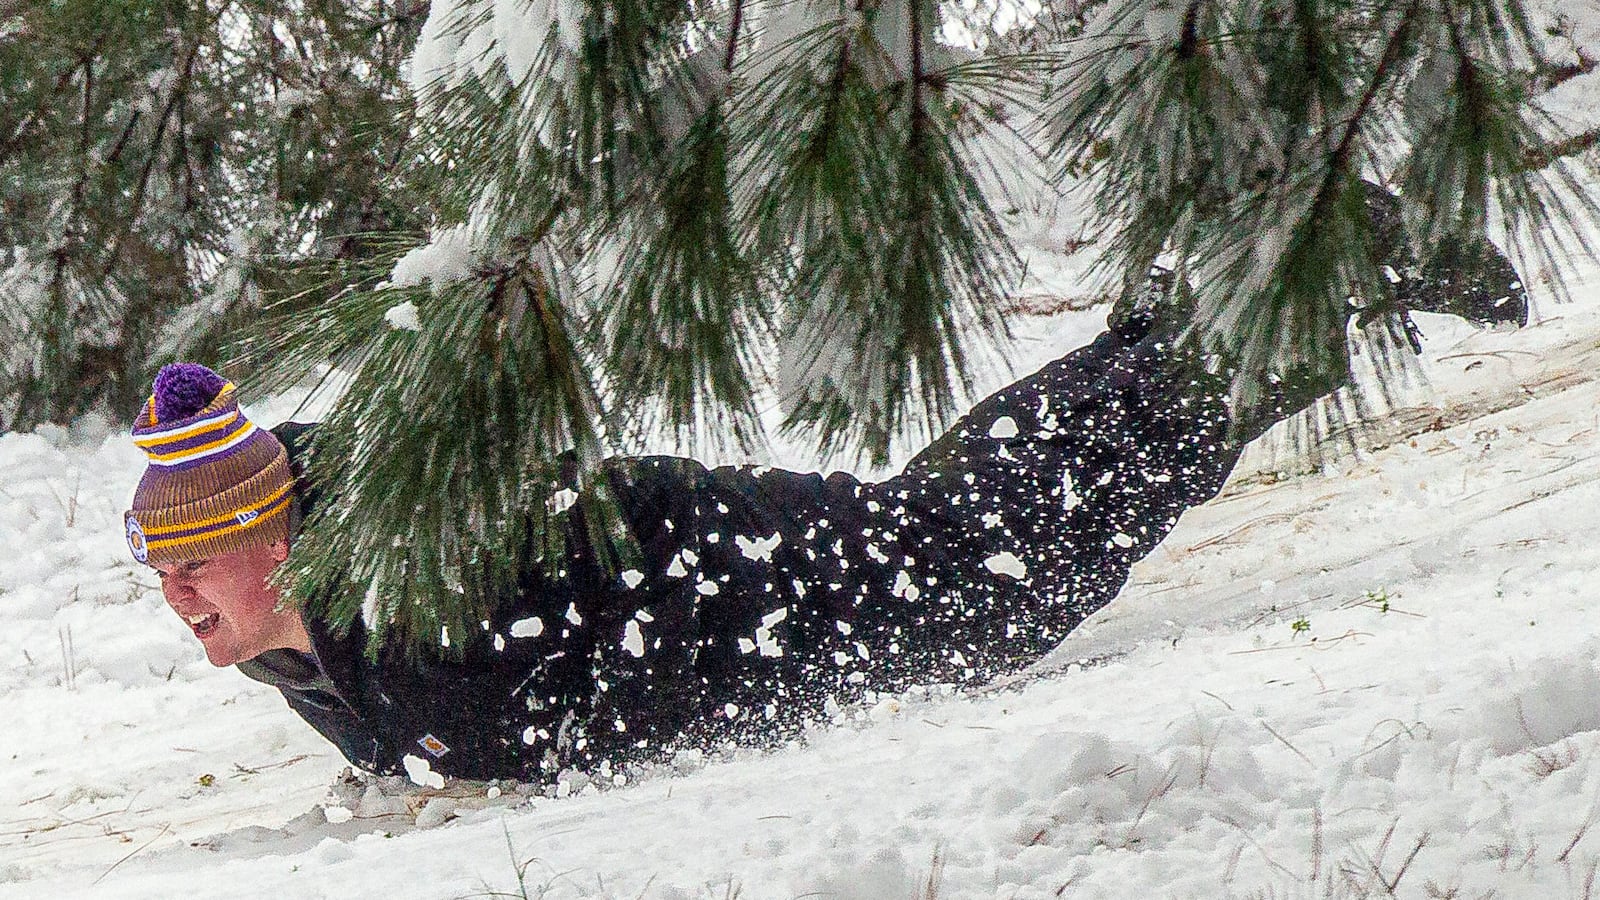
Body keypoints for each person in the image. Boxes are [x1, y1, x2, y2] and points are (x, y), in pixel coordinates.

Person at [124, 209, 1527, 787]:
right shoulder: (289, 638)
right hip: (762, 610)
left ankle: (1317, 271)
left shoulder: (422, 583)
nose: (179, 603)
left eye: (197, 569)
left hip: (770, 598)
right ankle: (1205, 310)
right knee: (977, 509)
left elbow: (563, 516)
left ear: (281, 537)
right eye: (165, 579)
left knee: (1005, 554)